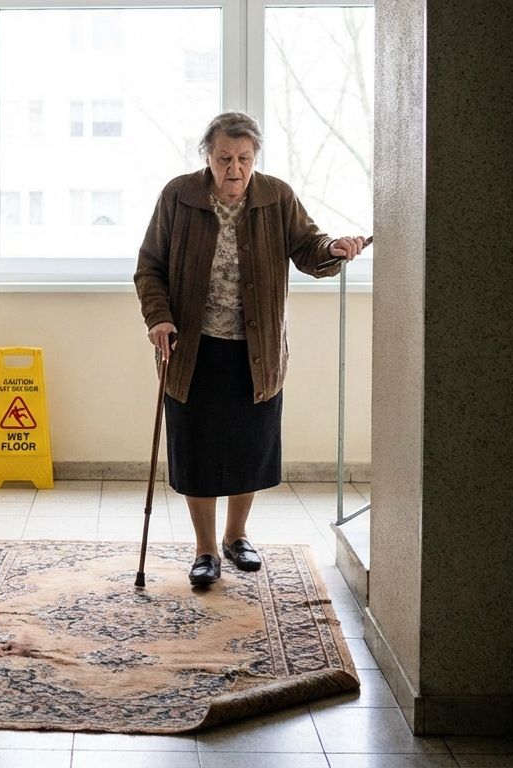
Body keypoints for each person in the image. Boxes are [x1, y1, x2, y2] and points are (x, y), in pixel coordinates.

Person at [134, 112, 367, 587]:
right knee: (197, 449)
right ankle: (204, 549)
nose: (234, 168)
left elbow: (309, 247)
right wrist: (158, 317)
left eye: (243, 158)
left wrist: (334, 249)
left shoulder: (276, 197)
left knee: (248, 447)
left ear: (255, 157)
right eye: (224, 158)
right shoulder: (179, 196)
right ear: (207, 156)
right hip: (192, 348)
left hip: (256, 350)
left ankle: (236, 537)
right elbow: (150, 266)